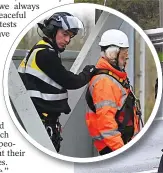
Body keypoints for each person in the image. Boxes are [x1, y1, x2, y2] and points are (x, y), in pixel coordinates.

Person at [18, 12, 96, 152]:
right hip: (41, 123)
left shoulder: (41, 49)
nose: (67, 40)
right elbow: (70, 81)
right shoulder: (45, 54)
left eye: (70, 37)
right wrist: (87, 73)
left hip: (40, 120)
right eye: (64, 34)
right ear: (52, 31)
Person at [85, 29, 141, 155]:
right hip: (114, 147)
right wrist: (122, 151)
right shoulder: (104, 82)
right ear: (112, 54)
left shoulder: (114, 77)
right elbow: (106, 125)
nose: (126, 58)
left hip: (119, 143)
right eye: (124, 54)